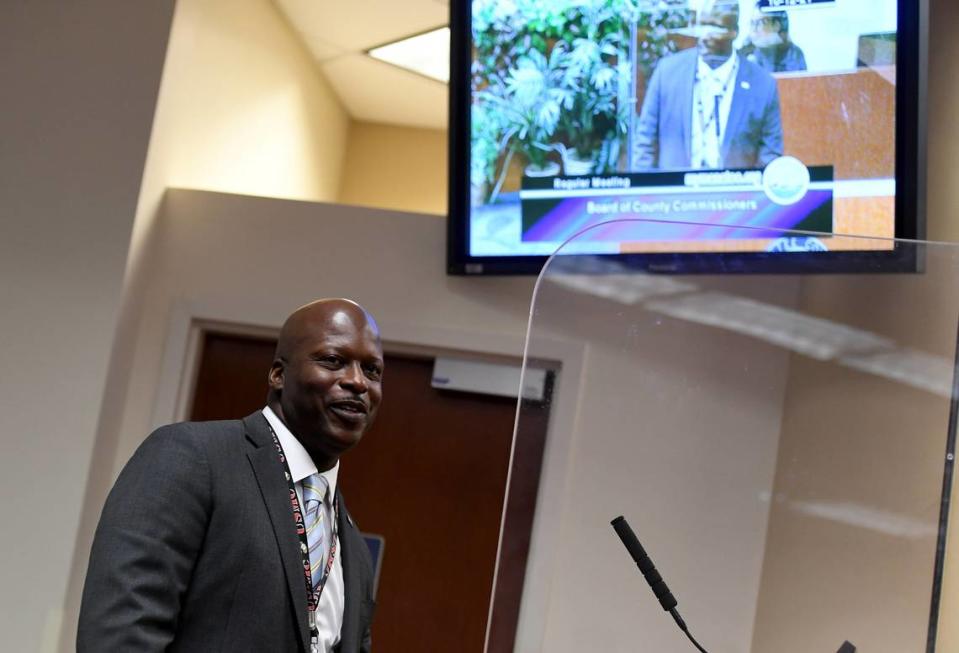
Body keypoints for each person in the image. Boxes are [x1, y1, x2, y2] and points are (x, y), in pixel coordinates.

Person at [78, 298, 383, 652]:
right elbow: (120, 634)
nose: (357, 382)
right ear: (278, 374)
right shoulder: (192, 458)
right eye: (333, 360)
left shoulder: (355, 550)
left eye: (372, 371)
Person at [631, 0, 784, 171]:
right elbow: (645, 145)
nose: (704, 35)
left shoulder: (762, 84)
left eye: (714, 27)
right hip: (674, 194)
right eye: (702, 26)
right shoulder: (667, 73)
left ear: (734, 32)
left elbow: (770, 157)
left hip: (737, 195)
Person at [740, 5, 808, 73]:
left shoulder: (793, 53)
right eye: (752, 23)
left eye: (760, 22)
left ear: (776, 26)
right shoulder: (747, 54)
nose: (754, 29)